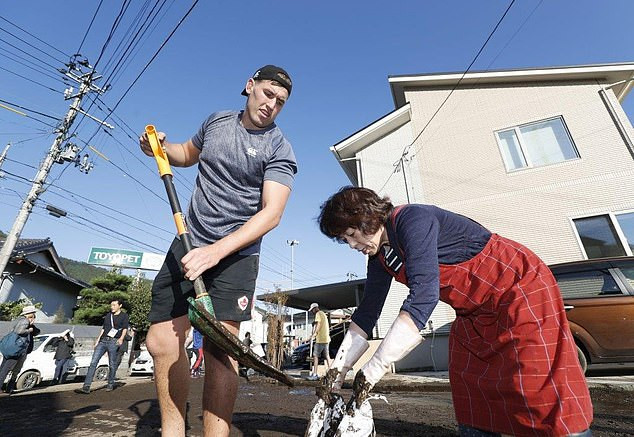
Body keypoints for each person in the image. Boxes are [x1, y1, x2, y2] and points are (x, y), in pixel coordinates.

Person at [318, 187, 593, 437]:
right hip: (475, 310)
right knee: (469, 381)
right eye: (346, 241)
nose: (353, 246)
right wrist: (338, 372)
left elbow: (423, 296)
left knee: (537, 382)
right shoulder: (380, 255)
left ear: (366, 217)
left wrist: (372, 370)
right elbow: (367, 313)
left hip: (519, 287)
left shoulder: (412, 219)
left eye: (352, 235)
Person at [139, 64, 297, 436]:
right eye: (267, 93)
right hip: (189, 242)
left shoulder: (280, 148)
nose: (271, 104)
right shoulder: (216, 122)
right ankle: (172, 431)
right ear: (249, 86)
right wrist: (159, 148)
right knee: (161, 341)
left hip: (235, 257)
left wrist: (217, 252)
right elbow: (185, 154)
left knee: (220, 352)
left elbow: (271, 213)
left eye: (280, 101)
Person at [75, 299, 129, 394]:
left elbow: (125, 328)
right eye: (111, 305)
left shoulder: (124, 316)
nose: (112, 307)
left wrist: (121, 339)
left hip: (113, 341)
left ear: (120, 306)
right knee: (93, 362)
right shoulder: (108, 315)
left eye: (114, 305)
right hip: (103, 341)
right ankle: (86, 386)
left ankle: (110, 383)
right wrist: (98, 340)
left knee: (112, 364)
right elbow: (104, 328)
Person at [0, 305, 40, 393]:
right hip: (18, 350)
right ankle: (8, 389)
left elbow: (37, 332)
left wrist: (31, 326)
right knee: (10, 370)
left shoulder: (20, 321)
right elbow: (19, 331)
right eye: (33, 314)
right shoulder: (25, 321)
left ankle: (8, 388)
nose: (34, 316)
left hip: (11, 348)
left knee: (4, 368)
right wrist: (29, 329)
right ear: (29, 314)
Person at [307, 303, 331, 380]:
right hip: (326, 339)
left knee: (315, 356)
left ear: (315, 308)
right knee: (327, 356)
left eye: (312, 310)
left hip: (320, 339)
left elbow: (318, 324)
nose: (312, 312)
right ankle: (331, 373)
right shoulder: (323, 314)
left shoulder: (318, 314)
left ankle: (315, 374)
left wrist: (314, 334)